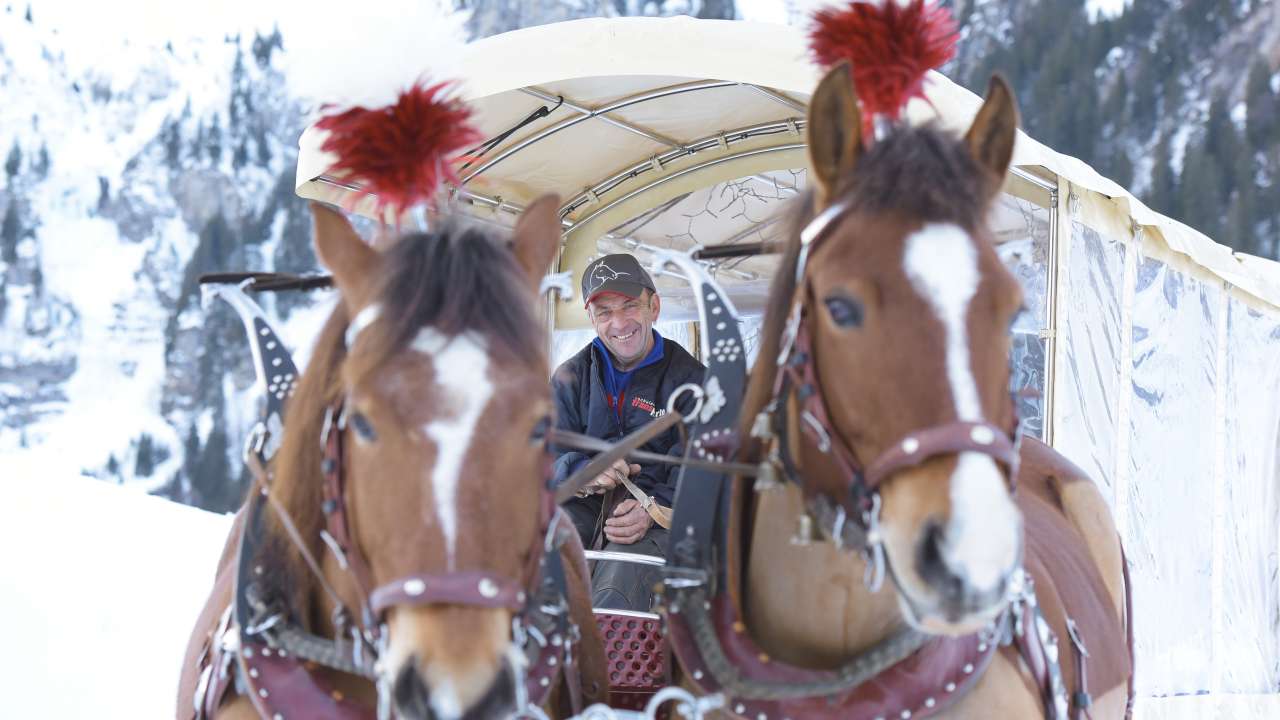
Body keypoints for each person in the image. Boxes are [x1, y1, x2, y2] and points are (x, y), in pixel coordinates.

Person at [551, 253, 706, 611]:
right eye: (605, 312)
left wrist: (655, 508)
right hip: (584, 509)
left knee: (618, 583)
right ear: (591, 319)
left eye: (629, 306)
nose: (619, 322)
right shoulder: (570, 377)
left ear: (654, 307)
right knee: (541, 560)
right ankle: (537, 663)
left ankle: (618, 666)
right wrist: (582, 473)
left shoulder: (693, 381)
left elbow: (704, 464)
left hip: (661, 520)